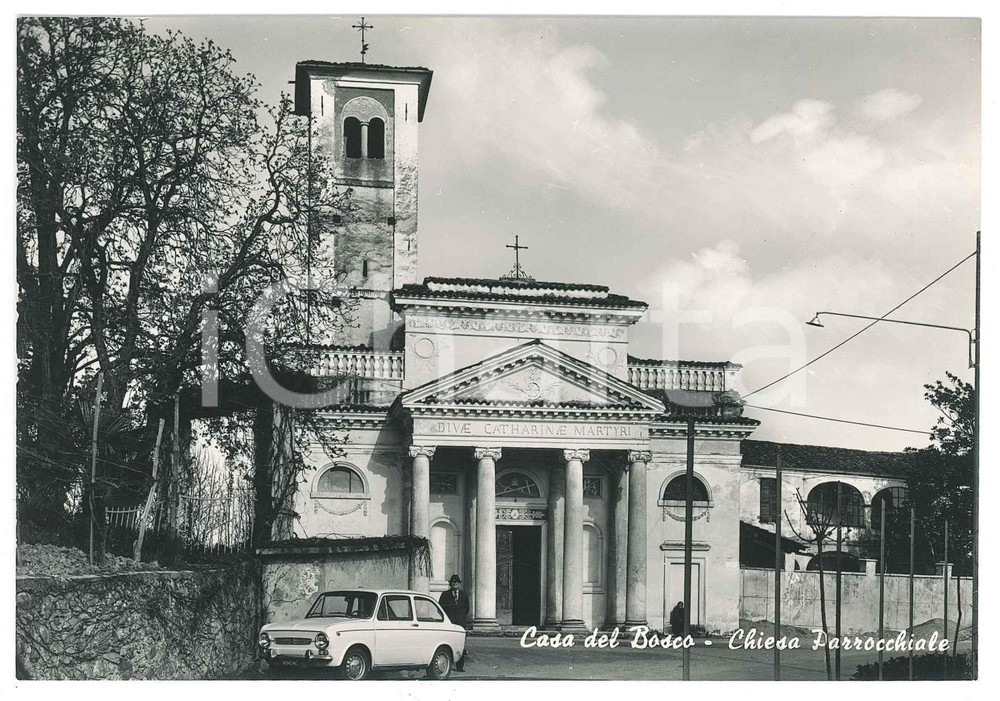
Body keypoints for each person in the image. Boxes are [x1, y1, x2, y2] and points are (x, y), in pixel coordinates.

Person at [438, 574, 470, 671]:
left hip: (460, 624)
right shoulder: (445, 595)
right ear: (450, 584)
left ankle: (460, 667)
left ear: (459, 584)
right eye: (453, 582)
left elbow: (467, 608)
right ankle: (448, 665)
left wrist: (462, 618)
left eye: (456, 582)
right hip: (449, 623)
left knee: (460, 645)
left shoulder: (464, 595)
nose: (454, 584)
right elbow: (440, 608)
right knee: (448, 644)